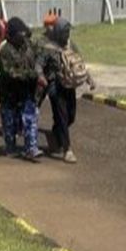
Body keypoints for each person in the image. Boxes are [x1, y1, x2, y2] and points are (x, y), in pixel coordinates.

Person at [40, 17, 96, 163]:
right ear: (58, 31)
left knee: (70, 116)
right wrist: (41, 77)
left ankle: (55, 134)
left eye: (68, 31)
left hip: (69, 85)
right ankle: (67, 150)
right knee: (63, 117)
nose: (67, 34)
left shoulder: (71, 44)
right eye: (64, 31)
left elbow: (79, 62)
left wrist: (89, 79)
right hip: (55, 86)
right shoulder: (48, 47)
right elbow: (38, 64)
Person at [0, 17, 46, 161]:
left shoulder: (29, 45)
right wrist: (34, 75)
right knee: (10, 122)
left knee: (31, 118)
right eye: (19, 35)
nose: (22, 37)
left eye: (23, 34)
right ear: (11, 35)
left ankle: (31, 148)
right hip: (9, 92)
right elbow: (9, 73)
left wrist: (39, 72)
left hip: (28, 91)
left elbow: (38, 59)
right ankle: (10, 146)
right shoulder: (5, 51)